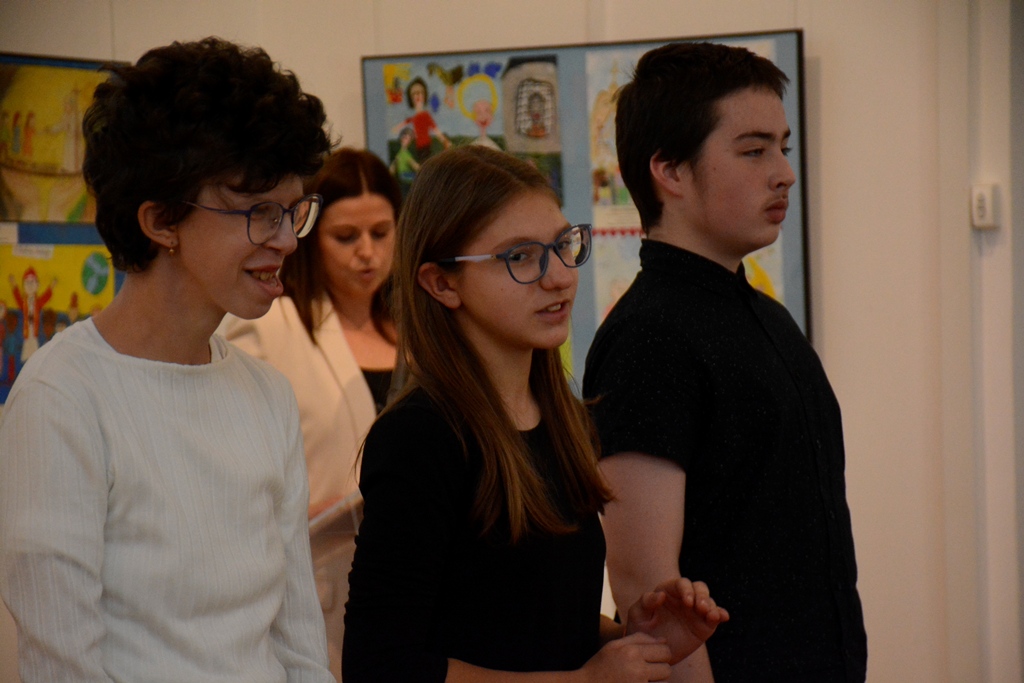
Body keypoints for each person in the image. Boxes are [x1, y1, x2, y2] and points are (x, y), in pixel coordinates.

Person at [0, 37, 334, 681]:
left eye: (294, 211)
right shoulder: (62, 399)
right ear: (160, 221)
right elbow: (62, 665)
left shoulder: (265, 393)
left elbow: (299, 645)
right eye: (260, 213)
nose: (287, 241)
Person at [342, 145, 729, 682]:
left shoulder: (562, 418)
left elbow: (519, 622)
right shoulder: (420, 436)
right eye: (520, 257)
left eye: (563, 246)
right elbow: (379, 666)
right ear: (442, 283)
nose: (560, 277)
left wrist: (631, 639)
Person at [583, 42, 868, 683]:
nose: (784, 173)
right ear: (670, 171)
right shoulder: (648, 337)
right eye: (754, 150)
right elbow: (647, 588)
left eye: (782, 148)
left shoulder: (764, 316)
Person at [223, 146, 401, 680]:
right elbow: (231, 475)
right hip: (314, 590)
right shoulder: (269, 329)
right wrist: (301, 511)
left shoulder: (418, 333)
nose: (367, 253)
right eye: (345, 237)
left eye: (381, 233)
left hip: (410, 588)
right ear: (309, 236)